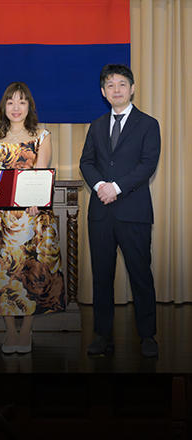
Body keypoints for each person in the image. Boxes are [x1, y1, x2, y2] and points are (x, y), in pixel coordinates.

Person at [0, 82, 65, 354]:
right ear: (4, 106)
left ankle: (26, 331)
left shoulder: (42, 136)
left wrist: (36, 201)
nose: (16, 107)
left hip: (33, 218)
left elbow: (41, 174)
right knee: (2, 276)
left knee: (35, 275)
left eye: (21, 102)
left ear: (29, 106)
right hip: (1, 220)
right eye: (10, 102)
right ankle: (10, 331)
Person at [79, 63, 161, 358]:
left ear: (132, 89)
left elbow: (147, 164)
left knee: (140, 275)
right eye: (110, 85)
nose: (116, 90)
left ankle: (148, 335)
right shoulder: (97, 125)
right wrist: (101, 185)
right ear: (103, 92)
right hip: (101, 213)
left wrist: (116, 187)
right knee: (102, 276)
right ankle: (102, 335)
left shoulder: (148, 124)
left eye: (122, 84)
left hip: (134, 212)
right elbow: (86, 162)